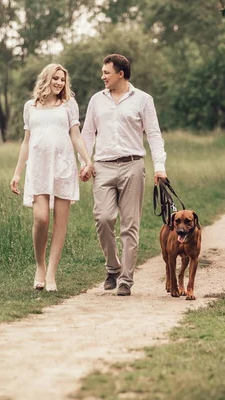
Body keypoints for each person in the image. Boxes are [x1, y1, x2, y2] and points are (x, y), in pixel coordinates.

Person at [79, 54, 168, 296]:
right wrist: (85, 162)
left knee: (130, 225)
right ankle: (113, 267)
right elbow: (87, 134)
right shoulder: (97, 100)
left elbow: (154, 135)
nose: (102, 76)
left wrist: (159, 166)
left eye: (106, 72)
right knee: (103, 218)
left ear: (121, 74)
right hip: (103, 166)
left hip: (132, 165)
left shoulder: (143, 100)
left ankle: (126, 279)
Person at [10, 63, 93, 292]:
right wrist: (17, 173)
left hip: (63, 167)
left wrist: (87, 160)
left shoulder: (68, 105)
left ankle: (52, 274)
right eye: (55, 78)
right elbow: (26, 141)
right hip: (38, 168)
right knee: (41, 218)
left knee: (60, 223)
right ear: (46, 79)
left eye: (62, 80)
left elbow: (75, 136)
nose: (59, 83)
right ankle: (40, 265)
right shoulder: (31, 106)